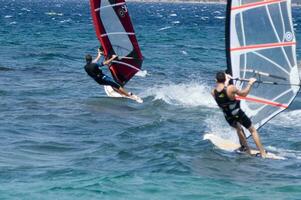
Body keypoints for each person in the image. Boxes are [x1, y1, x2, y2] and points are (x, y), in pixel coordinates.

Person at [211, 71, 267, 158]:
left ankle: (247, 150)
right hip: (237, 113)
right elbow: (244, 94)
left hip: (228, 116)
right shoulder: (231, 88)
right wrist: (250, 83)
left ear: (216, 80)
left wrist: (226, 79)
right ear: (225, 79)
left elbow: (222, 91)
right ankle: (263, 153)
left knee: (238, 129)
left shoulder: (213, 92)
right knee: (252, 130)